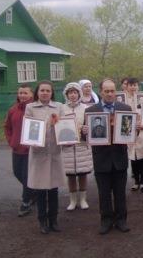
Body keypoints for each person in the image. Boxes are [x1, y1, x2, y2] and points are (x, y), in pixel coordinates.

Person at [82, 78, 132, 234]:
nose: (110, 94)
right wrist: (83, 133)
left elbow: (128, 133)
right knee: (103, 193)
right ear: (101, 92)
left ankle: (121, 220)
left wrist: (134, 130)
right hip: (101, 159)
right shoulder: (90, 111)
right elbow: (86, 137)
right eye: (107, 91)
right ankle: (106, 220)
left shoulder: (125, 108)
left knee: (120, 193)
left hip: (119, 158)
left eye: (112, 91)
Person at [25, 81, 65, 234]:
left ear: (52, 92)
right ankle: (42, 221)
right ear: (37, 92)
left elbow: (65, 127)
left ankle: (53, 220)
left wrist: (61, 127)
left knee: (53, 190)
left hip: (54, 152)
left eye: (48, 90)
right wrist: (46, 126)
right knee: (41, 191)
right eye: (42, 90)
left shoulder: (59, 107)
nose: (45, 93)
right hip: (39, 153)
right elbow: (29, 129)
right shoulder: (31, 107)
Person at [4, 83, 35, 217]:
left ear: (31, 94)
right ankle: (35, 193)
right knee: (18, 173)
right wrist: (11, 141)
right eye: (20, 93)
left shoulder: (35, 109)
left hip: (32, 150)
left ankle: (26, 202)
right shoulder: (13, 110)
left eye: (25, 93)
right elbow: (7, 127)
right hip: (17, 149)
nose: (22, 95)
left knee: (27, 176)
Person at [61, 82, 93, 211]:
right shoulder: (62, 109)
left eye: (75, 92)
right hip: (67, 147)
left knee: (82, 173)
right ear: (66, 94)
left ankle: (83, 199)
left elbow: (91, 126)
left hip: (82, 145)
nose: (73, 95)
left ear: (79, 94)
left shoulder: (86, 108)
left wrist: (87, 129)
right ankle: (73, 200)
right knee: (71, 175)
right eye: (70, 93)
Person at [125, 77, 143, 193]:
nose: (133, 87)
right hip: (129, 131)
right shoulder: (123, 99)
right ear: (127, 86)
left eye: (135, 85)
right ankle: (136, 181)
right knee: (132, 157)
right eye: (131, 85)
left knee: (142, 156)